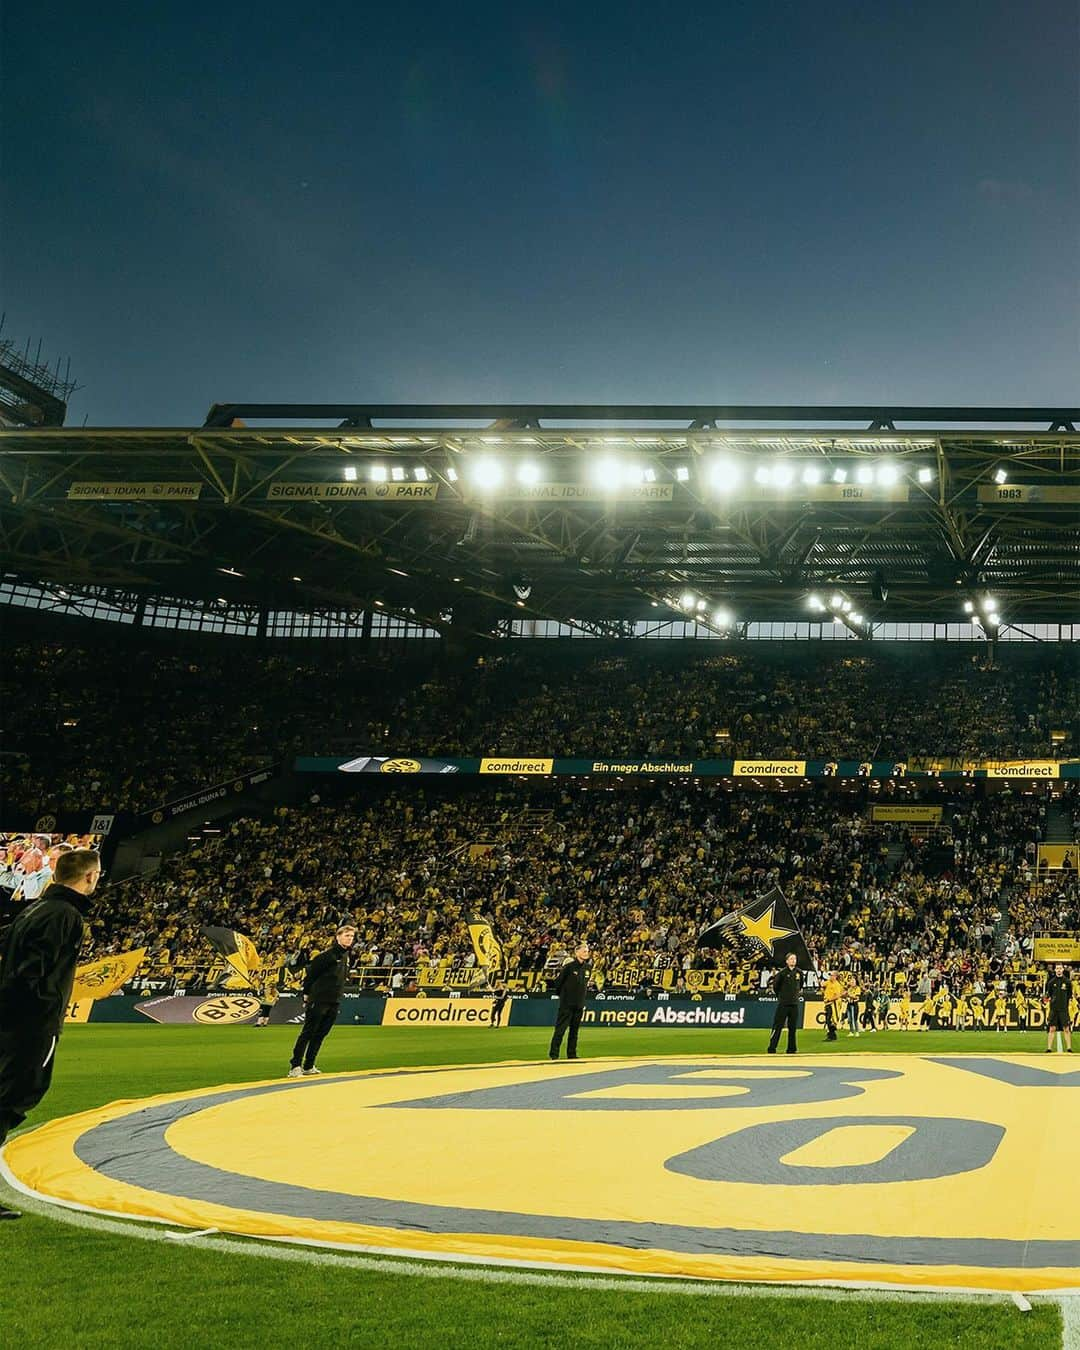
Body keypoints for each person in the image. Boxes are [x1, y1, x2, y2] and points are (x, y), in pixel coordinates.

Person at [0, 848, 102, 1220]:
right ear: (89, 877)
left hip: (14, 1020)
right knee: (15, 1095)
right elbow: (32, 973)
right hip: (30, 1024)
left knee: (12, 1095)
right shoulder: (64, 915)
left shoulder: (35, 910)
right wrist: (44, 1012)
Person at [288, 922, 355, 1077]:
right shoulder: (326, 956)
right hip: (319, 999)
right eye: (346, 936)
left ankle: (309, 1065)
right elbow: (310, 976)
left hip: (334, 1000)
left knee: (321, 1034)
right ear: (338, 937)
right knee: (308, 1033)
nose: (349, 939)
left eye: (351, 936)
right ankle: (295, 1066)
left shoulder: (345, 956)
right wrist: (306, 994)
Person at [549, 942, 590, 1061]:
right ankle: (554, 1054)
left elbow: (584, 985)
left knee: (574, 1031)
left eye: (587, 951)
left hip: (579, 1004)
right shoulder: (569, 967)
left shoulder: (588, 968)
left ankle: (572, 1054)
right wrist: (563, 997)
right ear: (577, 953)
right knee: (560, 1029)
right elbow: (558, 983)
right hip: (567, 1004)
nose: (586, 953)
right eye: (584, 951)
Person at [767, 951, 803, 1055]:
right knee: (777, 1026)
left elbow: (800, 985)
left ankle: (791, 1049)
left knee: (793, 1028)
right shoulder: (782, 973)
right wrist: (782, 997)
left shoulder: (799, 973)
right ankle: (772, 1048)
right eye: (791, 959)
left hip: (794, 1004)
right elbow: (775, 987)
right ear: (787, 961)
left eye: (795, 959)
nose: (793, 961)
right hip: (783, 1003)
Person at [1044, 962, 1073, 1053]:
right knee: (1052, 1028)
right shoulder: (1051, 982)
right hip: (1053, 1009)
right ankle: (1049, 1048)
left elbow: (1069, 995)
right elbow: (1049, 995)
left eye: (1060, 968)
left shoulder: (1067, 982)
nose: (1059, 970)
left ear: (1063, 969)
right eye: (1057, 968)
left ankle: (1069, 1048)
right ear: (1055, 970)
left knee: (1066, 1028)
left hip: (1064, 1009)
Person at [821, 970, 842, 1042]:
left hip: (832, 1004)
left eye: (832, 975)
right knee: (828, 1020)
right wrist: (821, 985)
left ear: (835, 976)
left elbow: (837, 996)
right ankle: (831, 1035)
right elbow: (823, 985)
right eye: (830, 975)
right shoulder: (828, 982)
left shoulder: (837, 985)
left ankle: (831, 1035)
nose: (830, 976)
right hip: (827, 1004)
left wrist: (829, 999)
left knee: (830, 1020)